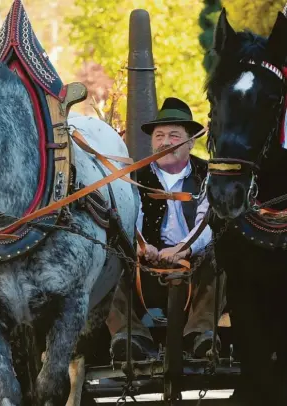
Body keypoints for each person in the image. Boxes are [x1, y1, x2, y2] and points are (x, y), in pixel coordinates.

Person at [106, 97, 225, 360]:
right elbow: (130, 215)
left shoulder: (208, 175)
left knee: (221, 257)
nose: (165, 142)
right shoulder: (135, 175)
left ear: (191, 141)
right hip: (145, 263)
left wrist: (183, 249)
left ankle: (200, 335)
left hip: (193, 262)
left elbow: (207, 221)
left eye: (174, 135)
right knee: (109, 261)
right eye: (159, 136)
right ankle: (131, 337)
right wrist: (140, 246)